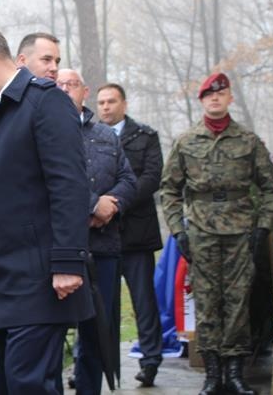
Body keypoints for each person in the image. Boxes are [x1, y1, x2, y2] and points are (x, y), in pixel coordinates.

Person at [0, 23, 93, 395]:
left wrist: (67, 261)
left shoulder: (45, 102)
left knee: (28, 385)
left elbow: (69, 186)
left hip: (39, 283)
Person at [160, 72, 273, 395]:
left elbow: (271, 188)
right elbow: (169, 190)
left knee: (238, 300)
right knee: (206, 300)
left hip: (241, 233)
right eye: (208, 94)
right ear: (201, 100)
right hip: (200, 232)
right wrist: (179, 231)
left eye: (221, 93)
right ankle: (212, 375)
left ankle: (235, 374)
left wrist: (263, 226)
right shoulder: (186, 141)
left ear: (229, 98)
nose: (214, 98)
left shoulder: (248, 141)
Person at [57, 69, 137, 395]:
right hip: (61, 250)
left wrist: (111, 205)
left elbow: (129, 180)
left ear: (84, 91)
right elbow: (51, 183)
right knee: (53, 335)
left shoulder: (106, 135)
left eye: (71, 84)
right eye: (58, 84)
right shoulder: (45, 131)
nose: (65, 89)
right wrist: (92, 206)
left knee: (96, 332)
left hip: (103, 248)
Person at [96, 82, 165, 387]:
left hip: (136, 234)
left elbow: (151, 177)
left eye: (111, 101)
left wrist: (115, 202)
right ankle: (102, 363)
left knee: (144, 302)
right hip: (101, 234)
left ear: (124, 104)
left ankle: (150, 361)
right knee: (102, 305)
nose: (105, 107)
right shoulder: (90, 136)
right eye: (101, 102)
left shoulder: (145, 136)